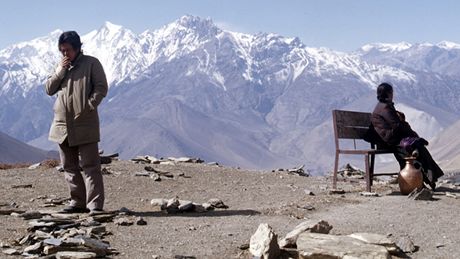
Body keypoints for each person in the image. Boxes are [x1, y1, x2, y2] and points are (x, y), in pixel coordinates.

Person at [45, 31, 108, 214]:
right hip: (62, 125)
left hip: (84, 123)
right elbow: (49, 89)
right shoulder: (60, 67)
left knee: (91, 166)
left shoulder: (91, 64)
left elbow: (101, 87)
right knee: (69, 166)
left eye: (68, 50)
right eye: (62, 51)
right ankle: (77, 202)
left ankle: (95, 205)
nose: (65, 54)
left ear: (78, 48)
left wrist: (89, 105)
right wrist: (60, 71)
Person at [369, 82, 443, 190]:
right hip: (390, 141)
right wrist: (411, 133)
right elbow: (397, 125)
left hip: (391, 139)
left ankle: (424, 179)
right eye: (391, 92)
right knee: (416, 148)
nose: (392, 95)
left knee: (418, 147)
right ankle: (423, 180)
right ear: (388, 94)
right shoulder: (385, 108)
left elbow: (397, 125)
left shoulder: (384, 106)